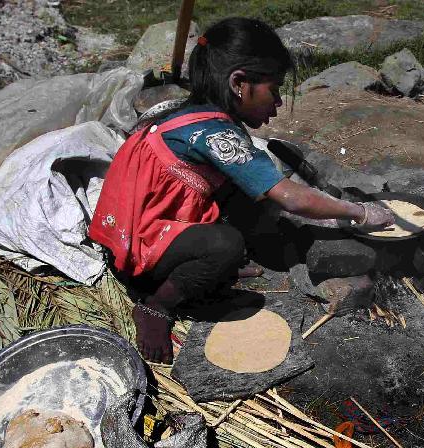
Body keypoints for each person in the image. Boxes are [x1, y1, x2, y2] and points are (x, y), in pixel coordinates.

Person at [89, 18, 395, 363]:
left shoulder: (199, 113)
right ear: (239, 83)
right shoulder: (216, 135)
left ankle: (208, 268)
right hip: (139, 246)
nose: (278, 103)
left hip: (154, 219)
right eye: (274, 89)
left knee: (249, 193)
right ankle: (156, 305)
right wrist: (359, 212)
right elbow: (290, 197)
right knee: (227, 245)